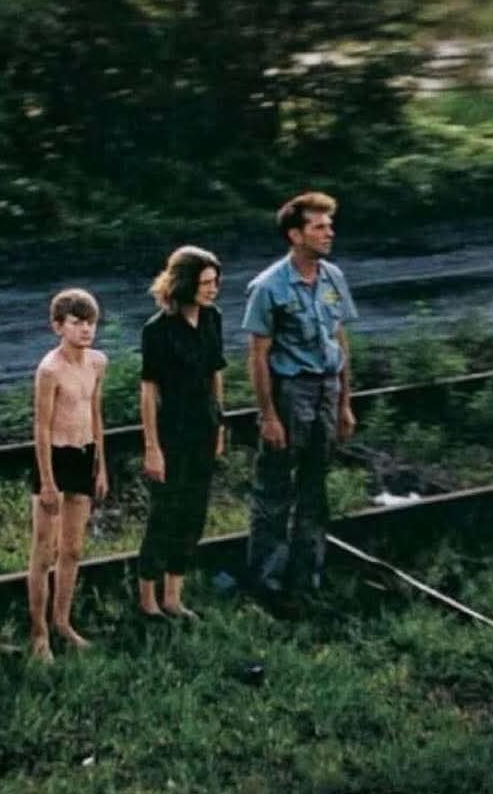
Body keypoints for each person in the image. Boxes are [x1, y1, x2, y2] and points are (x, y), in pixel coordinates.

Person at [242, 192, 358, 613]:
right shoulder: (269, 286)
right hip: (291, 392)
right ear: (295, 235)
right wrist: (268, 414)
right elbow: (257, 355)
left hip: (327, 388)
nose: (329, 232)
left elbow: (340, 339)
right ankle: (266, 584)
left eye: (330, 225)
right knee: (275, 487)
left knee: (315, 487)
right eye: (319, 226)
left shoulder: (333, 278)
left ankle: (306, 578)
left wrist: (345, 401)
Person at [137, 248, 226, 621]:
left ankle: (174, 597)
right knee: (165, 514)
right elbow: (148, 390)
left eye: (215, 282)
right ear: (186, 283)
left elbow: (216, 373)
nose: (213, 290)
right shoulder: (157, 329)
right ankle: (147, 601)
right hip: (172, 432)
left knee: (193, 515)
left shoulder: (212, 319)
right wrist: (152, 447)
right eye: (205, 283)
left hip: (203, 428)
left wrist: (220, 424)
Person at [28, 288, 108, 661]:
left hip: (84, 454)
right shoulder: (49, 369)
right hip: (55, 458)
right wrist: (46, 480)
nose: (85, 329)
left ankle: (62, 621)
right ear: (58, 326)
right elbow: (41, 427)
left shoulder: (97, 363)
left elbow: (95, 414)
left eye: (90, 322)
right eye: (76, 323)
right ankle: (38, 632)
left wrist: (101, 464)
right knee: (45, 551)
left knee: (73, 548)